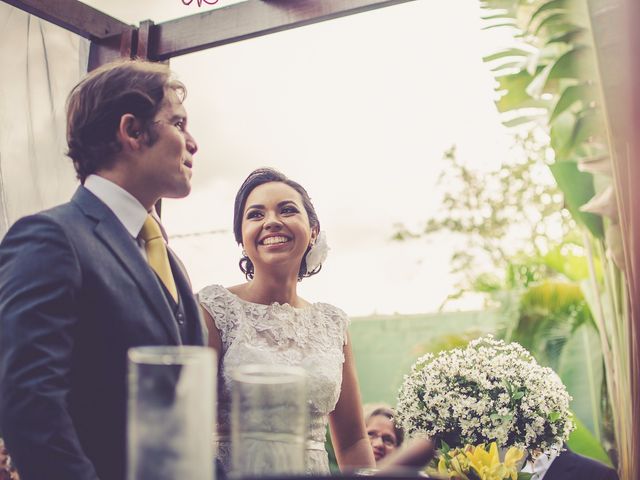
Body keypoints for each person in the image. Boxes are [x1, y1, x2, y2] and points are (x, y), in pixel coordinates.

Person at [0, 59, 203, 480]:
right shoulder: (50, 239)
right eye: (178, 123)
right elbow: (29, 406)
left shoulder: (168, 259)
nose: (193, 143)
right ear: (132, 131)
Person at [198, 167, 375, 475]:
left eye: (287, 210)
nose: (271, 222)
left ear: (314, 231)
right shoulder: (213, 310)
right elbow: (189, 429)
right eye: (255, 215)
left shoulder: (332, 323)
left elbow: (353, 442)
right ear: (241, 238)